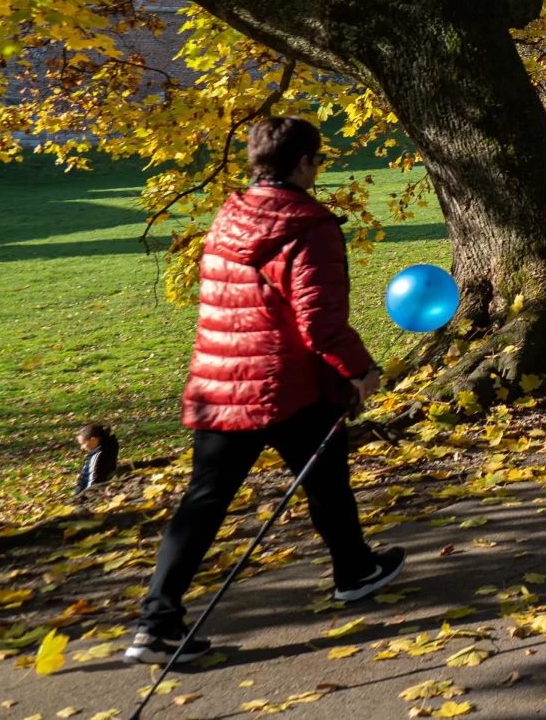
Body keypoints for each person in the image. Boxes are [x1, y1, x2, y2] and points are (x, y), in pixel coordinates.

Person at [126, 118, 400, 666]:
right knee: (326, 481)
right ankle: (352, 570)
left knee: (205, 501)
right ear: (302, 162)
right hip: (286, 385)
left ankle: (156, 622)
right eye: (317, 159)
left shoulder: (230, 215)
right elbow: (319, 320)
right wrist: (361, 370)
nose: (318, 169)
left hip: (220, 382)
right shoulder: (309, 225)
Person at [74, 423, 120, 494]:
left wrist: (82, 496)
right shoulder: (108, 448)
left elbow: (93, 481)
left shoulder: (97, 456)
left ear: (93, 440)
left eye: (83, 443)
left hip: (85, 493)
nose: (82, 448)